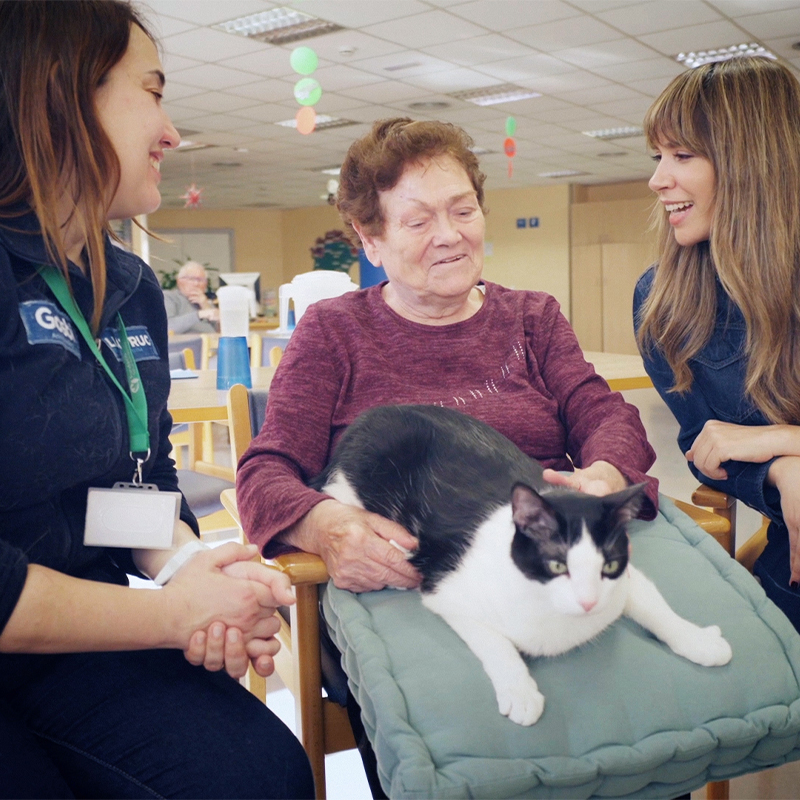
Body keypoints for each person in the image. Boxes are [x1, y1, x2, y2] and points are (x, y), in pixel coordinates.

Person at [0, 2, 313, 797]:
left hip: (77, 629)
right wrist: (173, 616)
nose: (171, 133)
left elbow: (122, 488)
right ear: (61, 95)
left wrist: (189, 572)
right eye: (152, 92)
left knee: (259, 773)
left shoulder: (130, 286)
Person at [237, 117, 659, 595]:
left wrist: (604, 474)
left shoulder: (532, 318)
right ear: (371, 240)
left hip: (550, 560)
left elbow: (607, 417)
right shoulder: (332, 331)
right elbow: (263, 475)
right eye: (419, 221)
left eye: (463, 210)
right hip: (413, 577)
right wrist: (326, 526)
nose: (450, 235)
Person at [634, 56, 800, 633]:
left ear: (754, 163)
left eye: (683, 155)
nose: (658, 179)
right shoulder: (662, 302)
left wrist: (783, 443)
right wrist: (782, 475)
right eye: (658, 157)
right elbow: (704, 449)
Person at [163, 260, 220, 333]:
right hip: (186, 340)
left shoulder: (206, 301)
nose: (196, 284)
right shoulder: (169, 297)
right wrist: (199, 314)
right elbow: (168, 326)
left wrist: (206, 306)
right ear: (179, 281)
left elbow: (221, 330)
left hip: (211, 339)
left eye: (200, 280)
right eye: (191, 279)